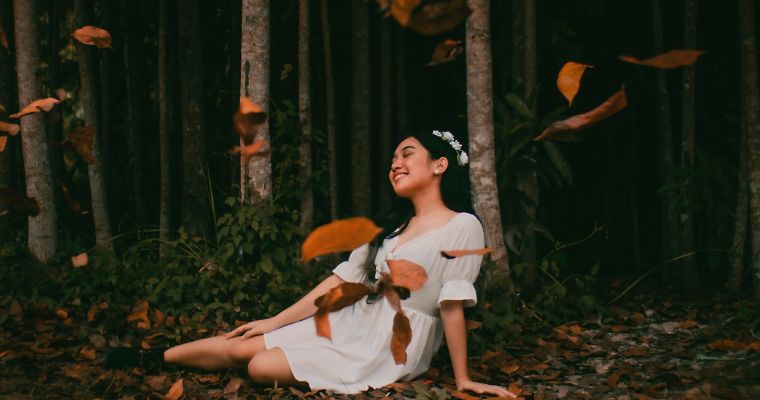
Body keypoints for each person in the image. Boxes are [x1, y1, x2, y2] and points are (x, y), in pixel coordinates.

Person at [105, 130, 515, 398]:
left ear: (440, 164)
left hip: (390, 344)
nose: (395, 163)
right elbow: (338, 283)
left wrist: (462, 378)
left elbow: (452, 303)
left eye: (407, 154)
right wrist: (275, 320)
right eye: (392, 157)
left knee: (260, 365)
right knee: (248, 344)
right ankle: (149, 357)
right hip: (353, 320)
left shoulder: (463, 226)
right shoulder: (390, 230)